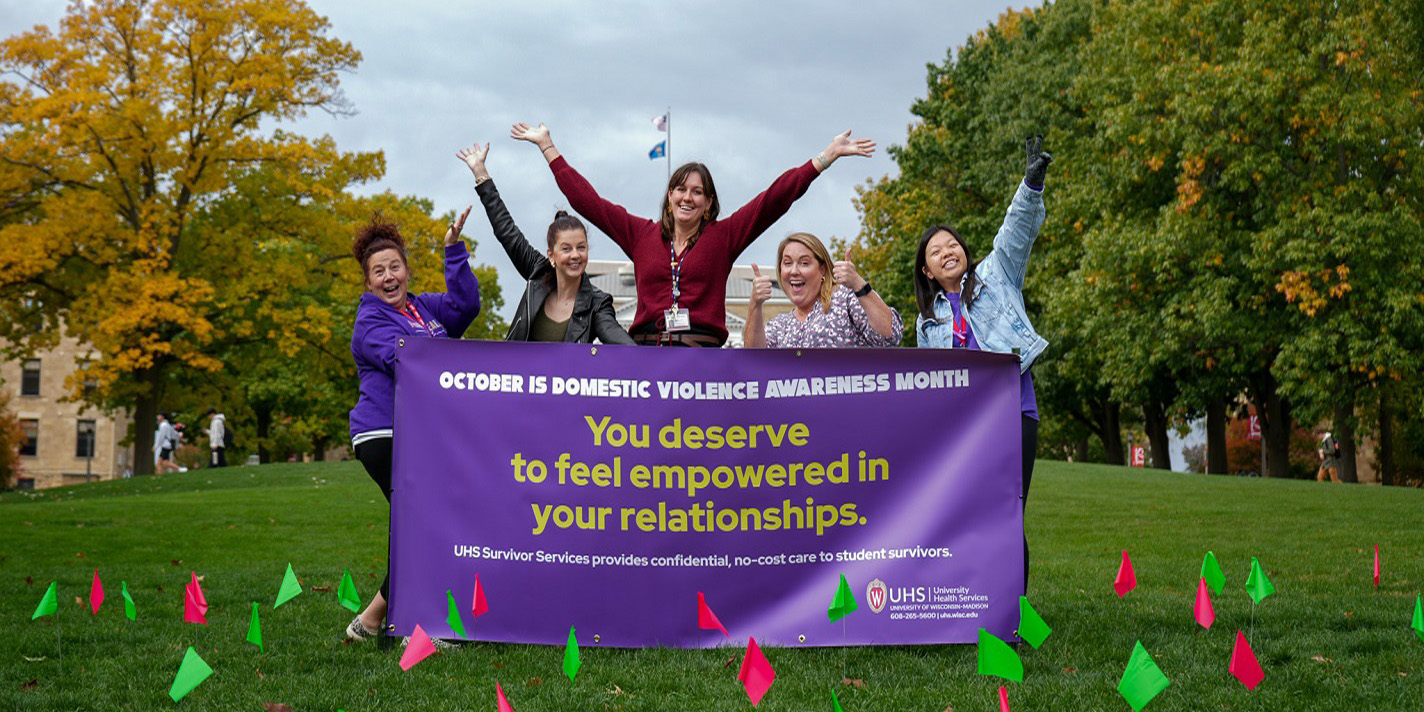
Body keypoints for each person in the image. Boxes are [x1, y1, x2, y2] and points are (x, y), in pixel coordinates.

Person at [511, 122, 875, 346]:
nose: (688, 197)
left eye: (697, 192)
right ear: (669, 197)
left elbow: (774, 199)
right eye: (681, 190)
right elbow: (587, 202)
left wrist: (824, 159)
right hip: (646, 356)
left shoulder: (724, 236)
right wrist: (548, 147)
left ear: (708, 202)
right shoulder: (640, 234)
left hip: (700, 360)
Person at [913, 136, 1052, 591]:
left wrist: (1030, 186)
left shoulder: (996, 275)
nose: (948, 251)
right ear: (928, 271)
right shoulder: (927, 321)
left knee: (1010, 511)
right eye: (937, 251)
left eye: (953, 244)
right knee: (973, 516)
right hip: (966, 430)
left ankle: (1013, 613)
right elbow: (929, 387)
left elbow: (1016, 230)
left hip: (1014, 414)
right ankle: (975, 603)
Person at [345, 208, 481, 642]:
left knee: (419, 526)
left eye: (395, 267)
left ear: (406, 269)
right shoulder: (370, 321)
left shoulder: (424, 308)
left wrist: (454, 251)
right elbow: (405, 360)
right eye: (378, 271)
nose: (389, 277)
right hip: (384, 435)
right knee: (425, 525)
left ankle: (369, 622)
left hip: (421, 439)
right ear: (368, 282)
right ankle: (414, 628)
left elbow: (466, 306)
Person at [456, 142, 634, 345]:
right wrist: (480, 172)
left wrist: (658, 364)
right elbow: (507, 231)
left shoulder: (598, 303)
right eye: (566, 249)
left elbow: (624, 347)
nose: (575, 255)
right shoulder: (537, 272)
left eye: (581, 247)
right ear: (551, 256)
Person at [743, 232, 902, 348]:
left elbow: (889, 335)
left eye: (804, 263)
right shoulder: (779, 326)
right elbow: (755, 363)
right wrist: (755, 304)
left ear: (823, 270)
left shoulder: (844, 300)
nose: (794, 271)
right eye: (787, 263)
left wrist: (858, 284)